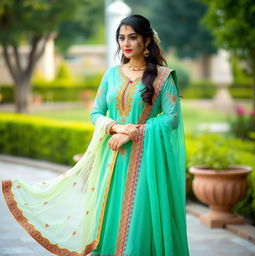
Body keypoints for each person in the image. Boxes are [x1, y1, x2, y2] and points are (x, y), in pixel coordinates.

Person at [2, 14, 190, 256]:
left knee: (138, 221)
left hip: (146, 163)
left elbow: (172, 118)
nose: (126, 43)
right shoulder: (111, 74)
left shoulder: (163, 77)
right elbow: (96, 112)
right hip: (110, 162)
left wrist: (135, 133)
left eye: (132, 37)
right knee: (109, 220)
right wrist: (116, 127)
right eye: (121, 38)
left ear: (146, 41)